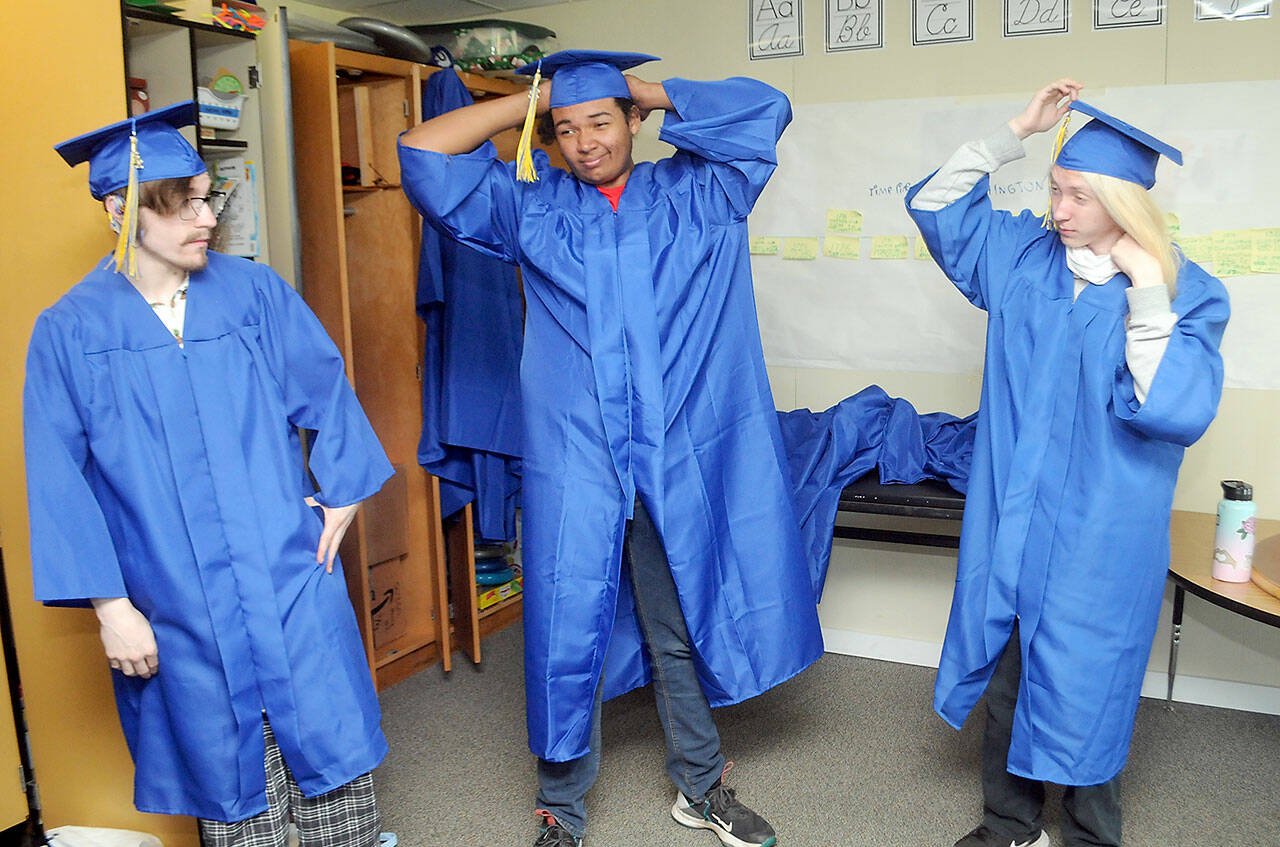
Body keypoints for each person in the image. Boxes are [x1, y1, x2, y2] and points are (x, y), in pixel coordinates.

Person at [399, 51, 822, 847]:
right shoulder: (532, 208)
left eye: (601, 121)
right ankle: (561, 809)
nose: (584, 142)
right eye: (565, 130)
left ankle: (701, 786)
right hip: (578, 459)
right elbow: (422, 152)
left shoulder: (702, 190)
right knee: (566, 625)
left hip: (677, 456)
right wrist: (526, 105)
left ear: (635, 121)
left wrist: (641, 88)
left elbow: (767, 107)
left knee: (677, 624)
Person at [26, 102, 393, 846]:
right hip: (172, 599)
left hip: (286, 573)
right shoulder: (71, 330)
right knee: (232, 792)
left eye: (206, 196)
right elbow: (56, 477)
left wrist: (342, 491)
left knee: (335, 770)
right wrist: (110, 607)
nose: (205, 216)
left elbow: (324, 388)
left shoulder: (252, 293)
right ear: (119, 208)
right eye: (181, 201)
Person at [905, 80, 1229, 847]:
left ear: (1124, 202)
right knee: (1010, 676)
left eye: (1079, 195)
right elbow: (937, 207)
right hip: (1015, 516)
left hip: (1099, 533)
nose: (1059, 210)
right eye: (1055, 189)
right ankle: (1009, 823)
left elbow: (1173, 410)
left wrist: (1148, 288)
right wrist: (1016, 128)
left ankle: (1089, 834)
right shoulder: (1023, 258)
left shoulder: (1190, 295)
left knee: (1089, 686)